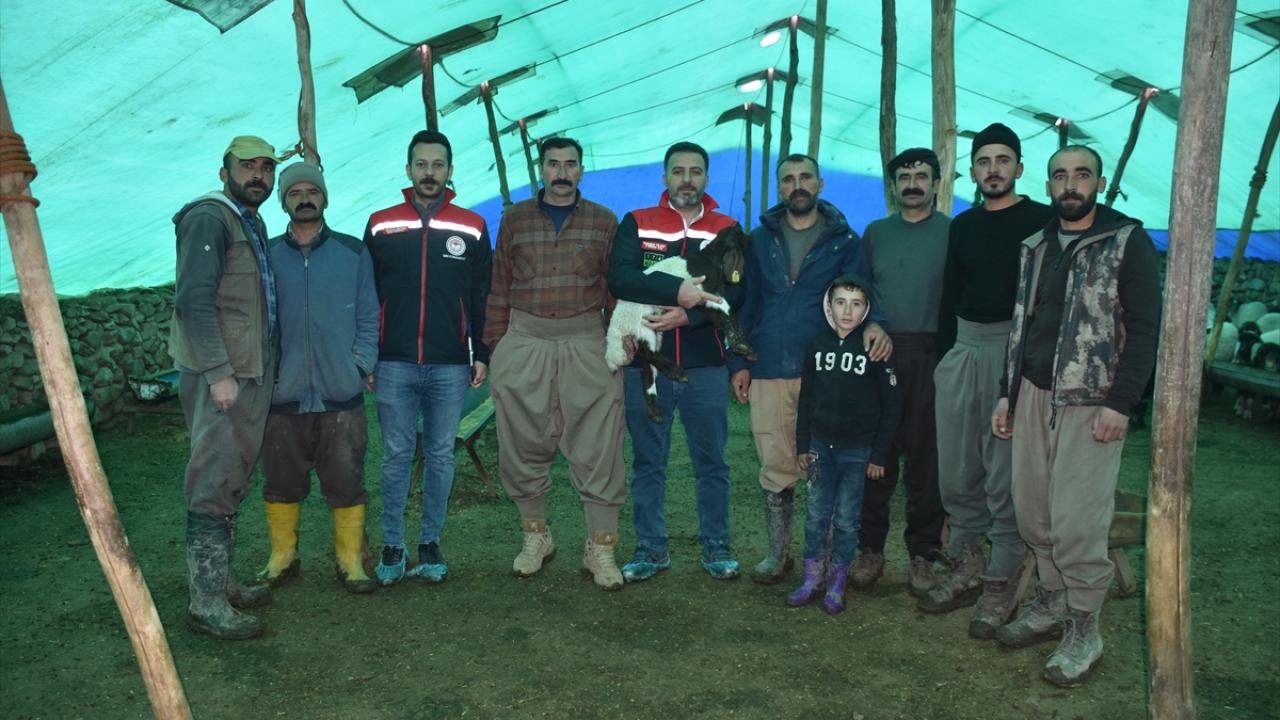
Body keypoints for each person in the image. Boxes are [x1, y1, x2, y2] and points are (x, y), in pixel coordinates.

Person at [991, 145, 1159, 687]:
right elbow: (1021, 323)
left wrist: (1121, 402)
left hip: (1092, 400)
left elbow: (1146, 328)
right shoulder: (1036, 244)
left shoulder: (1126, 241)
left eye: (1082, 174)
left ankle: (1085, 628)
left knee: (1077, 522)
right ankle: (1052, 601)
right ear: (1048, 185)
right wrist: (1007, 394)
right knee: (1033, 512)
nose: (1071, 184)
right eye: (1060, 175)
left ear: (1099, 183)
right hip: (1032, 393)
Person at [920, 123, 1055, 640]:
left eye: (1002, 160)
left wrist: (1029, 365)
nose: (993, 169)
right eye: (983, 161)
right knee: (957, 467)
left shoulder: (1043, 221)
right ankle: (967, 563)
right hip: (964, 346)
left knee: (1004, 471)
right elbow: (949, 293)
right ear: (973, 171)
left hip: (1015, 352)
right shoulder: (964, 225)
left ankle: (1001, 581)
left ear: (1019, 168)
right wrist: (945, 359)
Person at [731, 153, 892, 586]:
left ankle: (823, 559)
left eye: (805, 177)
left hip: (825, 371)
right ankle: (778, 553)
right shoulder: (759, 240)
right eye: (788, 179)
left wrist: (875, 326)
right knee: (774, 460)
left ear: (820, 184)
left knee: (827, 464)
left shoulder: (845, 241)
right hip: (768, 364)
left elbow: (861, 297)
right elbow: (747, 303)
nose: (797, 185)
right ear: (779, 187)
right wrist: (739, 361)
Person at [484, 136, 628, 591]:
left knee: (599, 442)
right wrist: (497, 348)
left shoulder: (605, 221)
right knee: (522, 437)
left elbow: (615, 289)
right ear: (541, 168)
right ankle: (536, 536)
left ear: (582, 170)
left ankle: (600, 548)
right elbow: (499, 284)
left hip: (586, 339)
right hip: (525, 339)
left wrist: (618, 343)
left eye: (570, 164)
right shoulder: (515, 219)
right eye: (553, 164)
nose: (561, 173)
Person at [606, 141, 744, 582]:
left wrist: (691, 316)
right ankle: (650, 548)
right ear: (664, 177)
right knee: (649, 461)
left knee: (712, 463)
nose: (687, 179)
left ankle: (717, 545)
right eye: (678, 171)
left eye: (695, 171)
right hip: (648, 363)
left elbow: (738, 290)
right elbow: (620, 278)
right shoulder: (638, 221)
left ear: (706, 178)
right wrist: (675, 294)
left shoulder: (727, 227)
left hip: (706, 365)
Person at [363, 130, 492, 586]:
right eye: (421, 164)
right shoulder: (381, 224)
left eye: (438, 165)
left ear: (450, 170)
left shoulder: (471, 226)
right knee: (396, 455)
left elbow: (481, 295)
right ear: (408, 169)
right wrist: (367, 356)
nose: (429, 172)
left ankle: (430, 541)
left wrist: (481, 352)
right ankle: (393, 543)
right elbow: (365, 295)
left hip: (451, 363)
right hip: (393, 361)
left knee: (439, 455)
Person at [168, 135, 278, 639]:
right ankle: (206, 603)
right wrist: (217, 373)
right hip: (223, 374)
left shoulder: (247, 220)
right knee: (213, 478)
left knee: (232, 476)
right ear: (224, 171)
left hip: (245, 370)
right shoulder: (210, 218)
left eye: (266, 167)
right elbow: (194, 301)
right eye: (247, 166)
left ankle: (220, 582)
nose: (258, 175)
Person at [256, 163, 379, 595]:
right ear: (282, 202)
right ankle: (282, 558)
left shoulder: (353, 252)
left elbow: (369, 314)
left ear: (325, 198)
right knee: (280, 479)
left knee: (346, 479)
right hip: (281, 394)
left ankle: (350, 562)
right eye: (295, 193)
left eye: (313, 191)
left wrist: (359, 365)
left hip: (340, 393)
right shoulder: (265, 256)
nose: (304, 199)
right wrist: (265, 374)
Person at [853, 148, 949, 596]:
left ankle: (923, 554)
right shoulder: (875, 233)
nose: (913, 184)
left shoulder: (952, 232)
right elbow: (859, 289)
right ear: (892, 186)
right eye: (904, 177)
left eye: (921, 176)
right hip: (881, 353)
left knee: (926, 460)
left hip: (933, 355)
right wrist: (871, 323)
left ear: (936, 183)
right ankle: (870, 549)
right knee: (877, 455)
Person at [787, 277, 901, 615]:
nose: (847, 311)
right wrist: (803, 444)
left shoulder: (875, 349)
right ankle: (813, 577)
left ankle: (838, 581)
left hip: (858, 452)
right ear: (829, 306)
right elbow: (807, 397)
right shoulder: (816, 344)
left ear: (866, 309)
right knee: (815, 515)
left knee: (848, 520)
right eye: (840, 302)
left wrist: (879, 454)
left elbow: (893, 405)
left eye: (856, 304)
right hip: (820, 449)